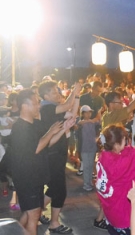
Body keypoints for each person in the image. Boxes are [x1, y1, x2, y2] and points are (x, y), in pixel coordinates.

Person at [10, 89, 74, 235]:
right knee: (33, 216)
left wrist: (63, 129)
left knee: (31, 213)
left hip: (36, 177)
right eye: (36, 103)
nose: (39, 106)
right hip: (27, 178)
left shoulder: (35, 125)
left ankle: (11, 232)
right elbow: (36, 148)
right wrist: (50, 131)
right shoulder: (20, 127)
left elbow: (47, 143)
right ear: (25, 106)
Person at [96, 124, 135, 234]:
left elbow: (128, 153)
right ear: (116, 144)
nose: (126, 141)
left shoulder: (104, 156)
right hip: (124, 214)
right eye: (124, 139)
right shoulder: (120, 165)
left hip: (111, 211)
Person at [38, 80, 81, 234]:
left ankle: (36, 213)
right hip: (52, 153)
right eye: (54, 92)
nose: (58, 94)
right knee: (60, 190)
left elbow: (73, 113)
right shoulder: (47, 108)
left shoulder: (52, 108)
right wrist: (74, 92)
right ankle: (54, 223)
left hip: (57, 153)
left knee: (54, 187)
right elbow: (68, 107)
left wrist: (76, 97)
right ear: (46, 95)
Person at [77, 105, 100, 191]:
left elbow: (99, 121)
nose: (89, 114)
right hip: (84, 148)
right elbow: (79, 123)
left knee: (90, 166)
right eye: (87, 112)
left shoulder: (92, 122)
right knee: (86, 166)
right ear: (82, 114)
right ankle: (86, 184)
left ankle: (89, 182)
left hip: (92, 147)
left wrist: (99, 115)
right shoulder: (80, 123)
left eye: (90, 112)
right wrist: (94, 119)